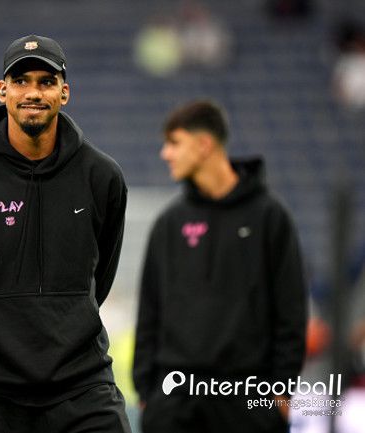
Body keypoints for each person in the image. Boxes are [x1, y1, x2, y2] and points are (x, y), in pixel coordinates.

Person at [0, 34, 131, 433]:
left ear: (64, 93)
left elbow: (100, 274)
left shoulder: (102, 176)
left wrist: (63, 315)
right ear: (3, 90)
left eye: (46, 82)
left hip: (81, 383)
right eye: (21, 81)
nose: (33, 92)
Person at [132, 100, 307, 433]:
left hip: (247, 399)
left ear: (204, 145)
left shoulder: (270, 218)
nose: (165, 154)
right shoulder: (169, 222)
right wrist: (146, 393)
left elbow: (291, 311)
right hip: (175, 400)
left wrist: (282, 392)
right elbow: (149, 311)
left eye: (174, 143)